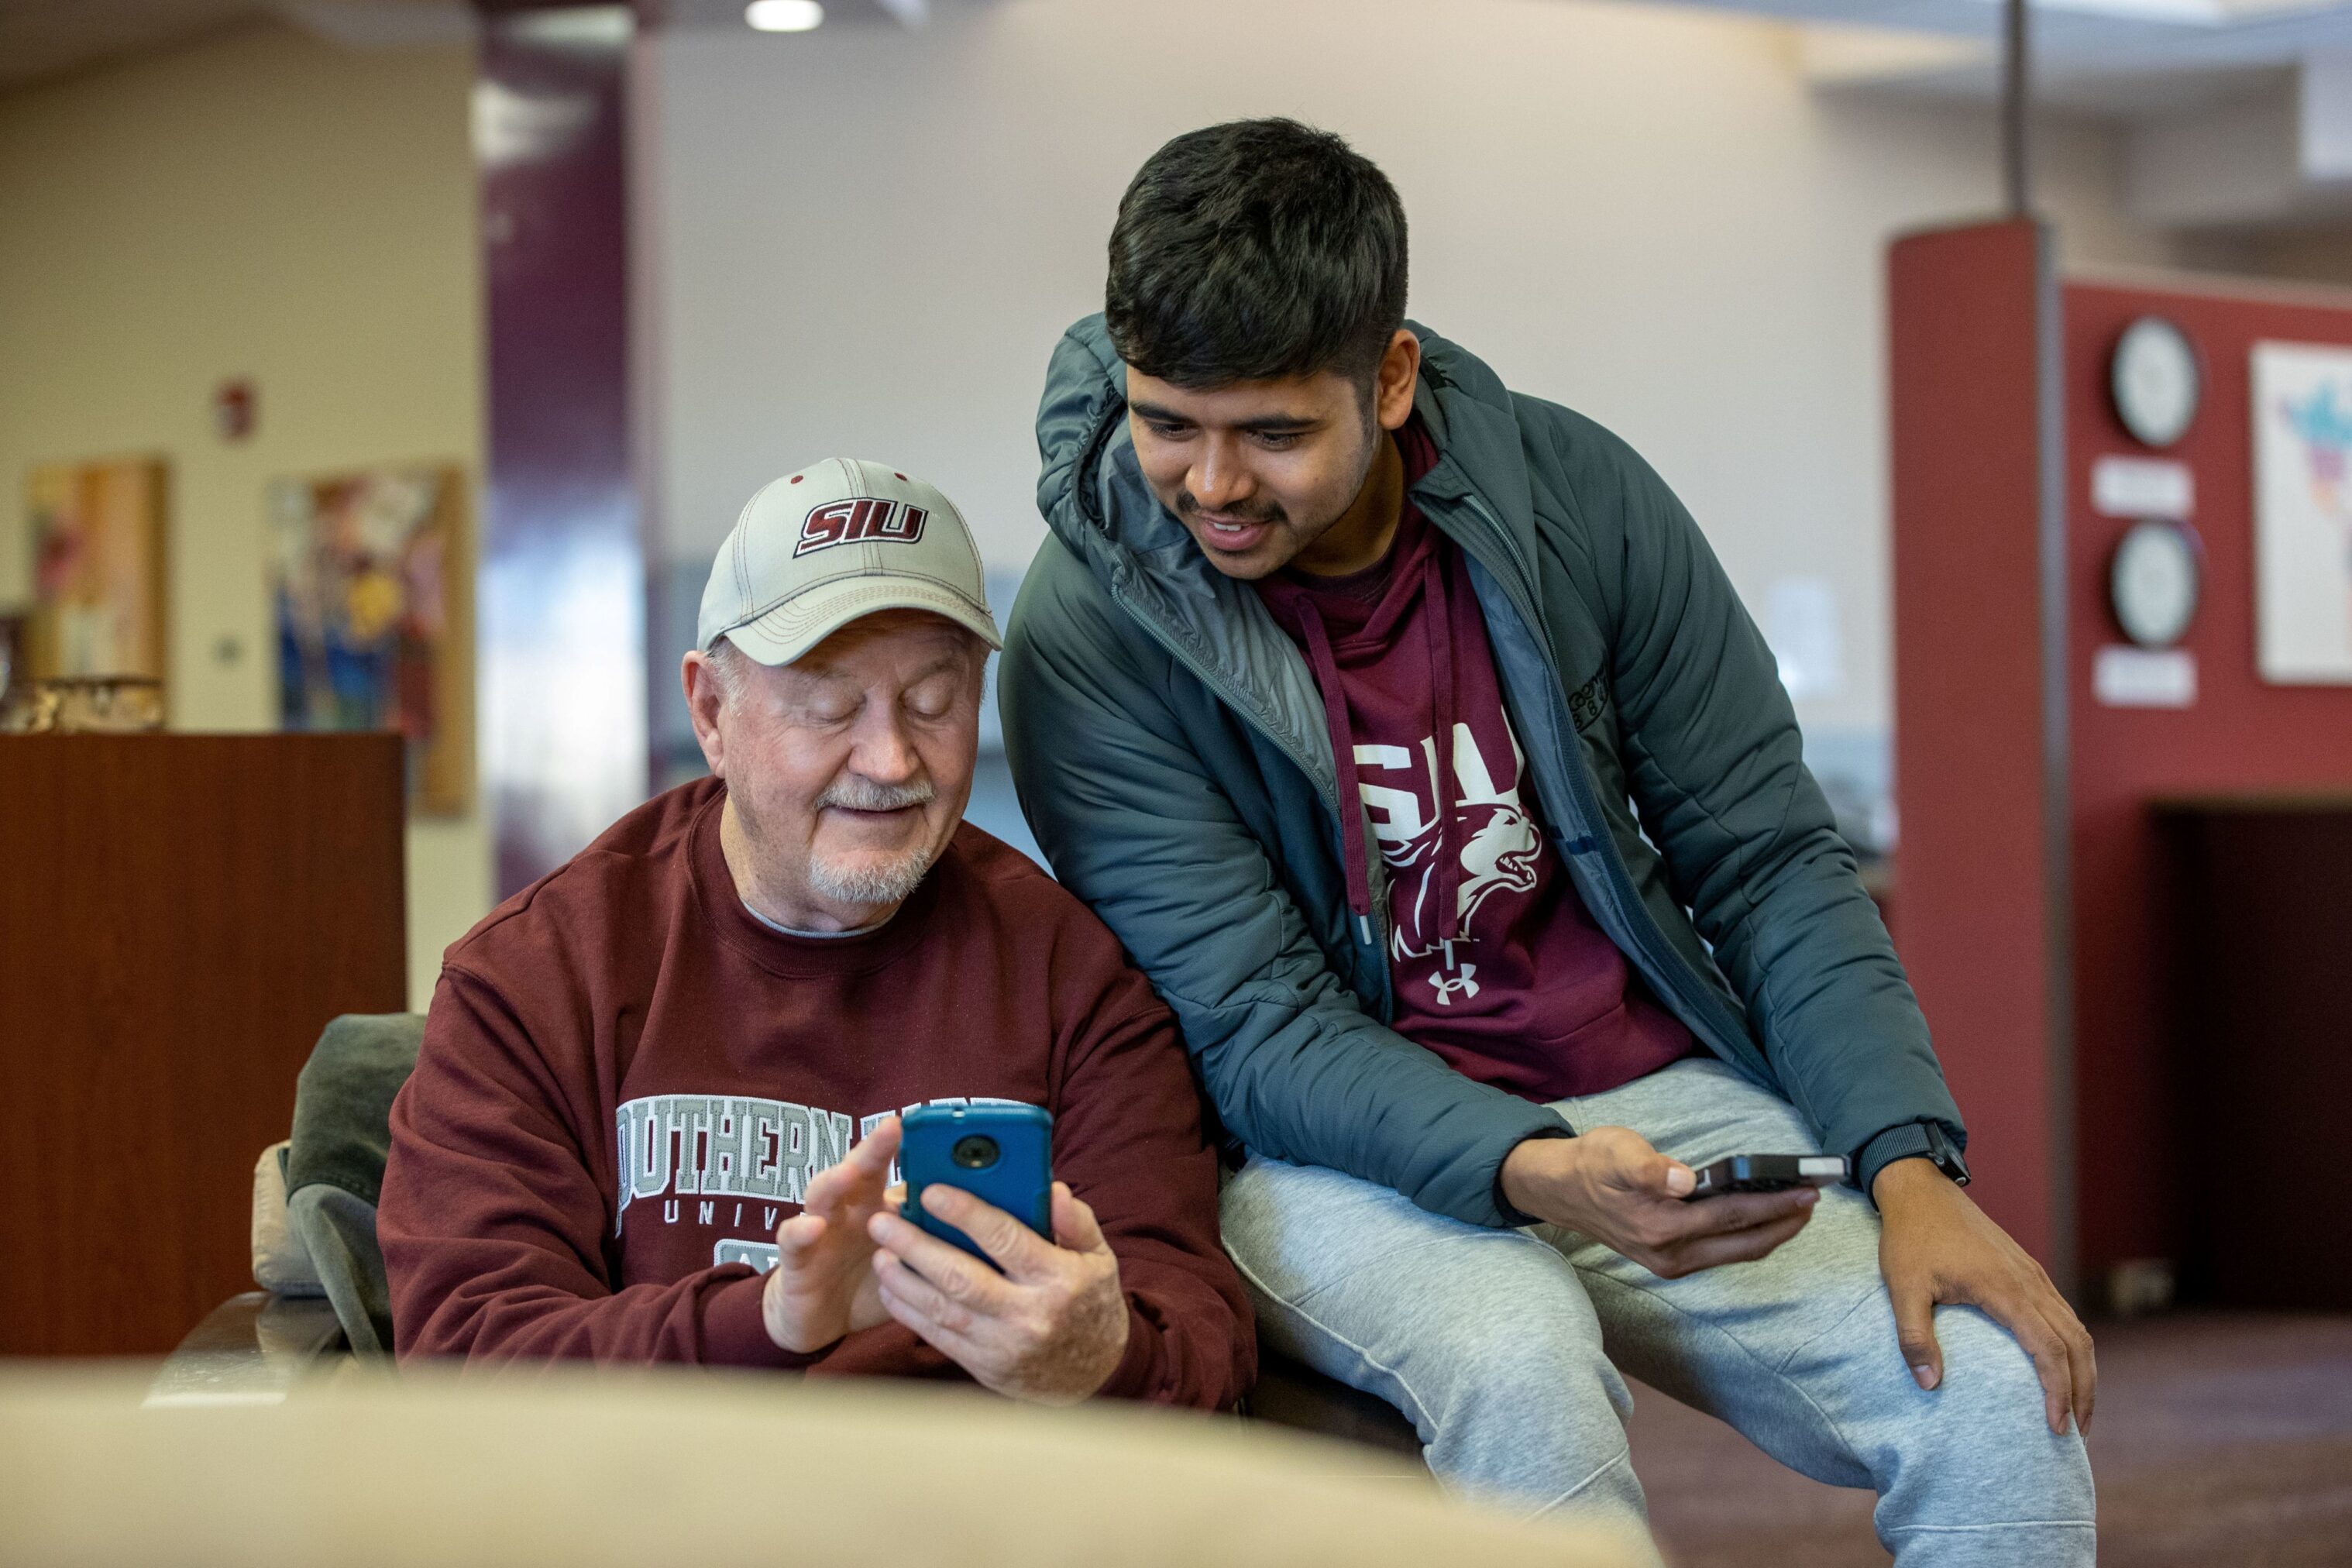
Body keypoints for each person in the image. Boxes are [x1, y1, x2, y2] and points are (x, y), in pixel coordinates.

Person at [1000, 119, 2096, 1559]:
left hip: (1645, 1092)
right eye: (1167, 422)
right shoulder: (1089, 634)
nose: (1209, 484)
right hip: (1326, 1149)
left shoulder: (1575, 499)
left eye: (1271, 431)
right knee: (1520, 1358)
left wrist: (1910, 1168)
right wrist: (1525, 1165)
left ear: (1387, 379)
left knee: (1998, 1385)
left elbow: (1767, 861)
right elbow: (1253, 1024)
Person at [381, 459, 1252, 1409]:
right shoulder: (535, 974)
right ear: (712, 712)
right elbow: (468, 1359)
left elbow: (1199, 1336)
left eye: (933, 700)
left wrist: (1100, 1356)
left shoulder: (1072, 976)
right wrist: (772, 1322)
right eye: (830, 705)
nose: (890, 759)